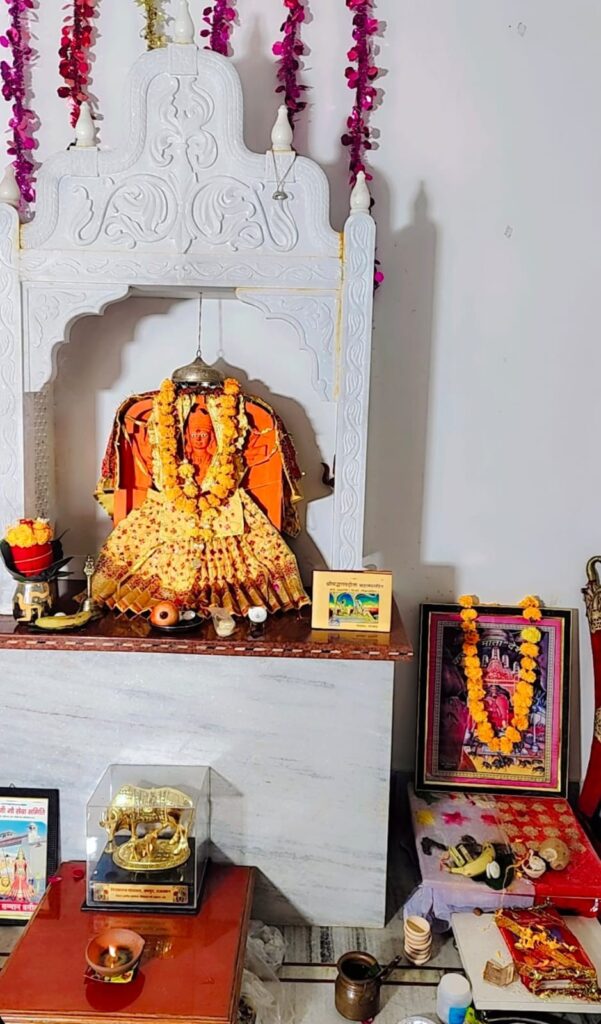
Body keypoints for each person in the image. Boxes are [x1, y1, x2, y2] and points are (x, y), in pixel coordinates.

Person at [92, 359, 309, 618]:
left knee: (255, 562)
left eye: (204, 433)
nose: (199, 437)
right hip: (173, 506)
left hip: (224, 507)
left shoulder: (224, 457)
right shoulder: (173, 458)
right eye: (194, 433)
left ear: (213, 437)